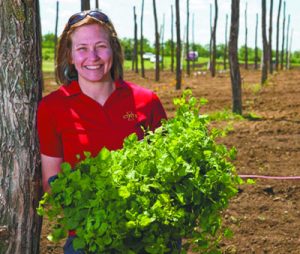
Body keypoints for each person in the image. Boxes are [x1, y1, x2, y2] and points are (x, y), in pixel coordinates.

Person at [37, 10, 167, 253]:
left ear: (114, 51)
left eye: (100, 46)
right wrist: (103, 206)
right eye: (82, 48)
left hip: (146, 236)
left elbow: (166, 171)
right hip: (89, 239)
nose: (93, 57)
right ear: (70, 56)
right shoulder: (52, 108)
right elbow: (51, 183)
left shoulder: (146, 101)